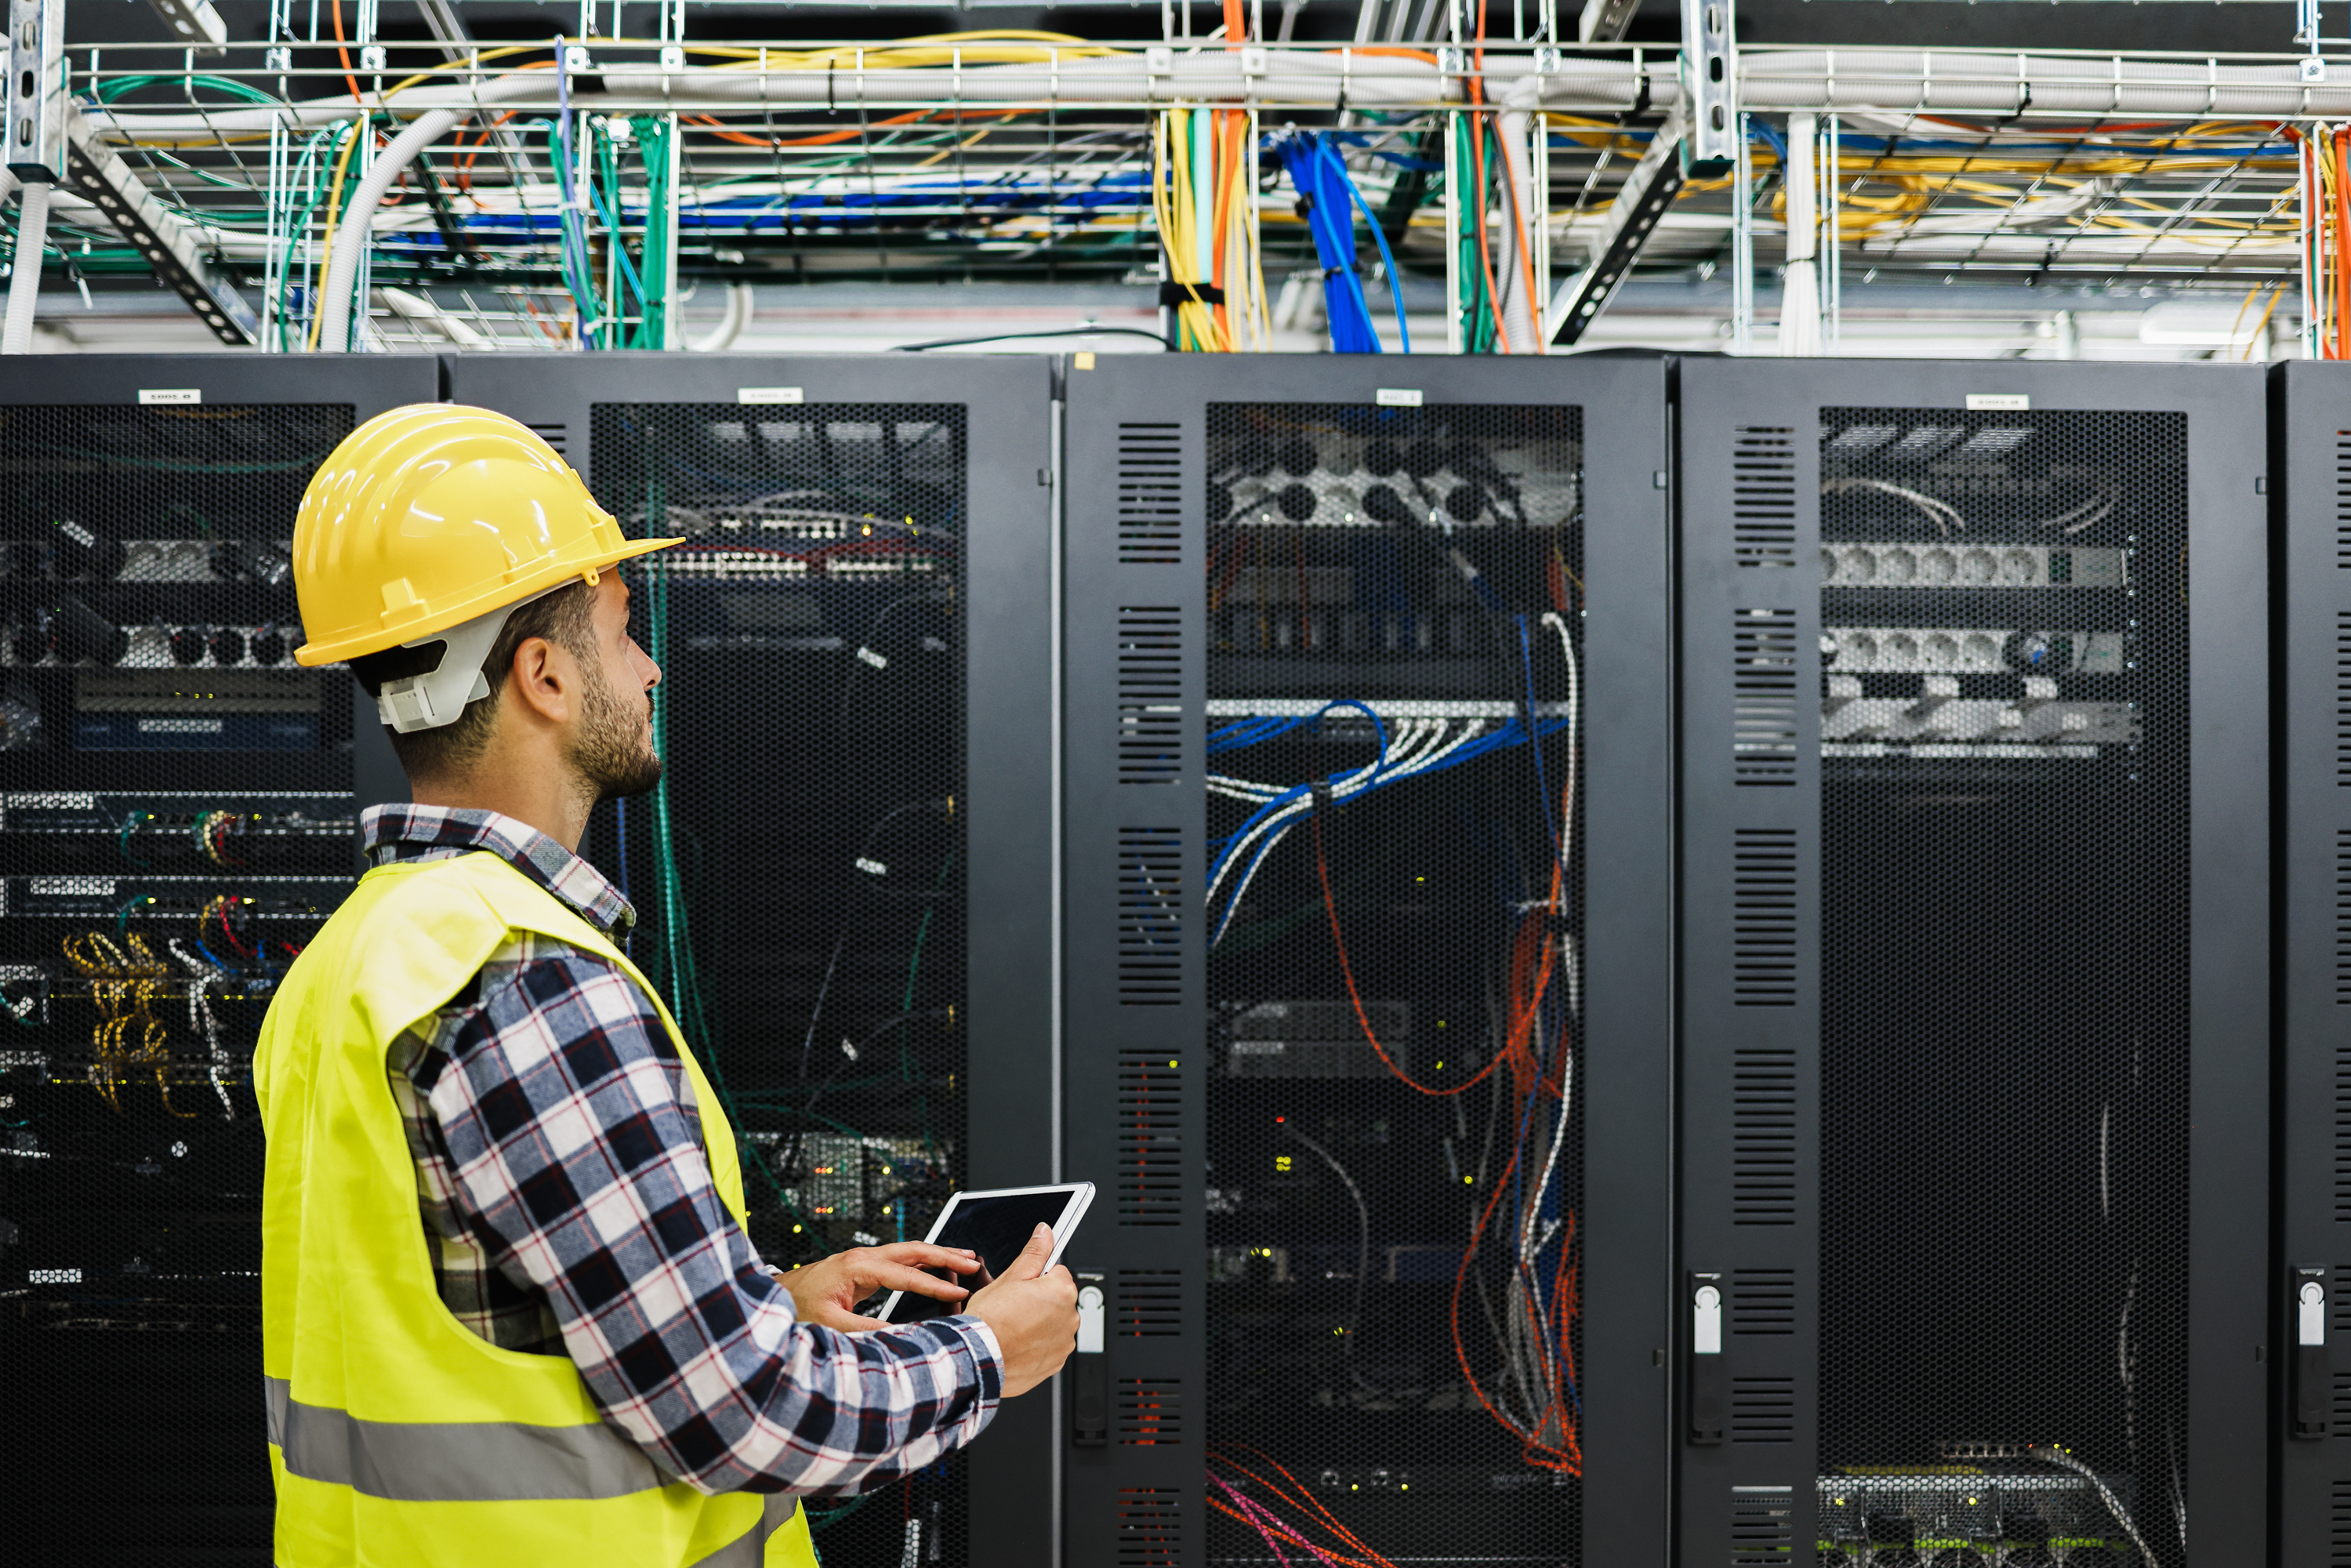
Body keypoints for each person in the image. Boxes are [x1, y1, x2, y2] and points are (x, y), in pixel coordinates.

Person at [256, 405, 1076, 1567]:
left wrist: (765, 1302)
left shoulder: (363, 952)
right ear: (543, 674)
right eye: (623, 629)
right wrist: (993, 1351)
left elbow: (470, 1326)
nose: (648, 670)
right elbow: (748, 1419)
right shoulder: (523, 973)